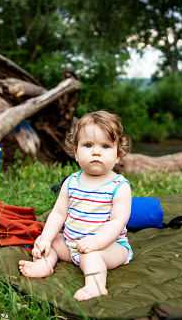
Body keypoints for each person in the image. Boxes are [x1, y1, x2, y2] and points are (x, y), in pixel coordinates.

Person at [19, 110, 133, 301]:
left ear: (118, 155)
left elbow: (118, 222)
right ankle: (44, 264)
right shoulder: (71, 182)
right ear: (76, 152)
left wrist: (96, 243)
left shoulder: (119, 187)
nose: (96, 152)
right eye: (88, 145)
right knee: (49, 240)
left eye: (105, 146)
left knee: (91, 257)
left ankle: (95, 286)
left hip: (109, 247)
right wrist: (46, 238)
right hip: (72, 243)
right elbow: (58, 213)